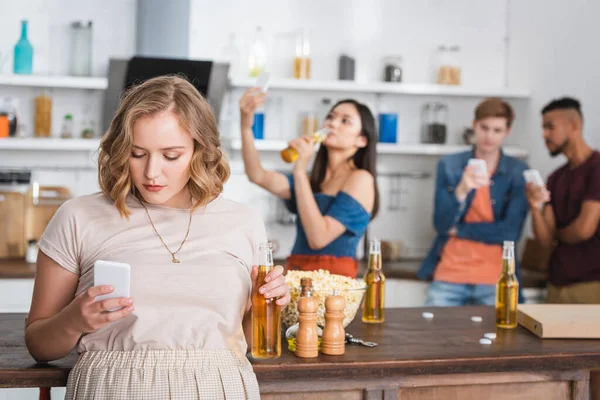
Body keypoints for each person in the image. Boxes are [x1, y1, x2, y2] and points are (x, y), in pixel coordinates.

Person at [24, 76, 290, 399]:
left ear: (199, 150)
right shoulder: (77, 217)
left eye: (171, 155)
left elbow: (243, 340)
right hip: (113, 391)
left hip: (221, 389)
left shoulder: (243, 222)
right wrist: (74, 320)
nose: (151, 172)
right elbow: (39, 344)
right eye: (137, 154)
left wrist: (268, 305)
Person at [239, 88, 379, 278]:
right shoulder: (312, 180)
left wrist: (299, 171)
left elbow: (318, 238)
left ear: (362, 140)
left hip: (333, 285)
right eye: (330, 117)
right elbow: (257, 175)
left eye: (345, 121)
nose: (333, 123)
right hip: (296, 276)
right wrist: (246, 125)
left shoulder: (361, 179)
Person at [419, 98, 529, 306]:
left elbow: (510, 233)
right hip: (450, 273)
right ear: (474, 125)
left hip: (495, 277)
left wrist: (459, 230)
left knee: (504, 337)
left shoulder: (517, 172)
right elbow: (441, 225)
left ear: (507, 132)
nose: (489, 136)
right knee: (432, 333)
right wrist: (461, 190)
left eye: (497, 130)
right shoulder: (449, 165)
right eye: (484, 128)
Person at [526, 97, 600, 303]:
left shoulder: (597, 169)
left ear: (574, 126)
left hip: (592, 285)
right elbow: (544, 239)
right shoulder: (555, 177)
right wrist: (534, 207)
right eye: (543, 128)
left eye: (550, 127)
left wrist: (556, 235)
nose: (544, 135)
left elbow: (584, 229)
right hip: (557, 284)